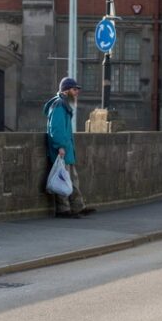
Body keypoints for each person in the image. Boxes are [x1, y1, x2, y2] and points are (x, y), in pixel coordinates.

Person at [43, 77, 95, 219]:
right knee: (63, 179)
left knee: (72, 180)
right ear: (66, 90)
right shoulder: (59, 105)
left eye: (77, 89)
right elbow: (56, 129)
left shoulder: (63, 104)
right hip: (61, 149)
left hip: (67, 149)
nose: (77, 92)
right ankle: (63, 209)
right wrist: (60, 146)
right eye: (74, 89)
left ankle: (78, 207)